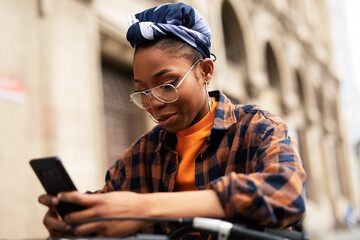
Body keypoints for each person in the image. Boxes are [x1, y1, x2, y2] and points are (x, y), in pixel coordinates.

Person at [38, 3, 306, 239]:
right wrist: (76, 220)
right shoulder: (143, 154)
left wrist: (145, 208)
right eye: (142, 92)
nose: (154, 103)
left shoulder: (255, 128)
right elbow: (111, 204)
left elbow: (286, 193)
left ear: (205, 71)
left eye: (167, 85)